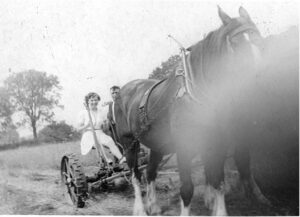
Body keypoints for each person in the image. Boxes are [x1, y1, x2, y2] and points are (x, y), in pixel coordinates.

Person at [77, 92, 125, 164]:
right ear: (88, 101)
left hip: (100, 132)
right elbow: (78, 128)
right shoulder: (84, 113)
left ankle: (121, 159)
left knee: (109, 140)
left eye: (96, 100)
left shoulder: (101, 112)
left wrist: (106, 124)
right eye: (92, 100)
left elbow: (104, 127)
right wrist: (87, 125)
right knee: (97, 143)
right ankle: (106, 160)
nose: (94, 102)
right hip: (89, 134)